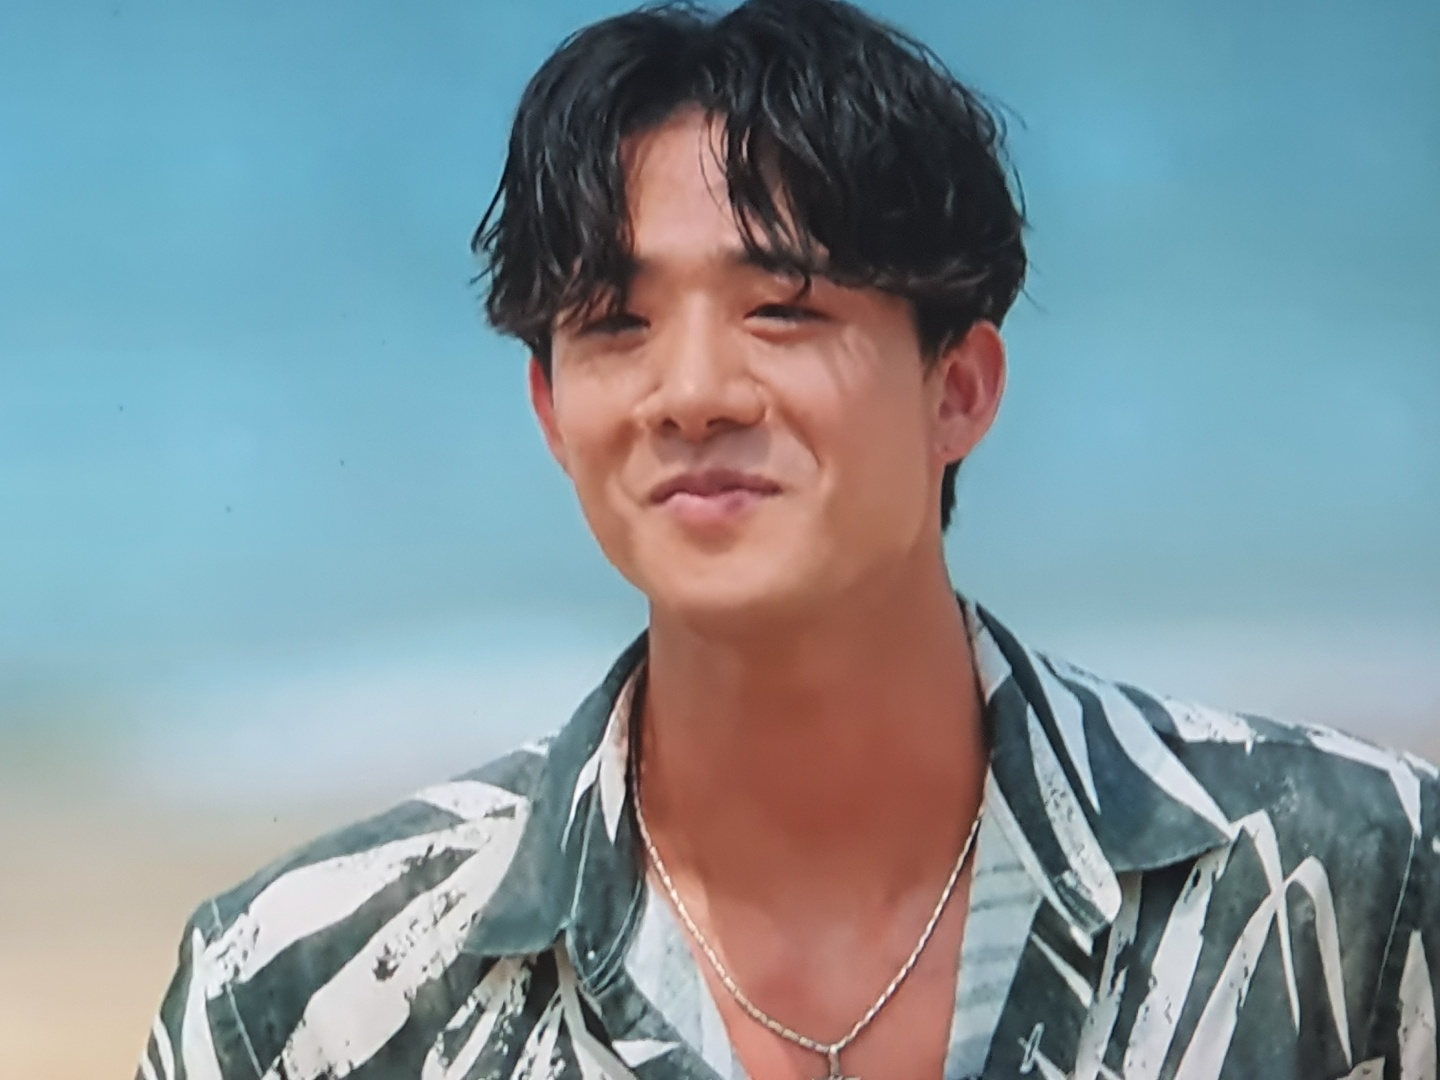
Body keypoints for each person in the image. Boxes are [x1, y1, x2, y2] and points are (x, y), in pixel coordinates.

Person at [136, 1, 1439, 1077]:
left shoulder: (1356, 889)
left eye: (782, 307)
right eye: (616, 322)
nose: (693, 392)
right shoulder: (307, 1004)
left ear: (959, 388)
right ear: (551, 412)